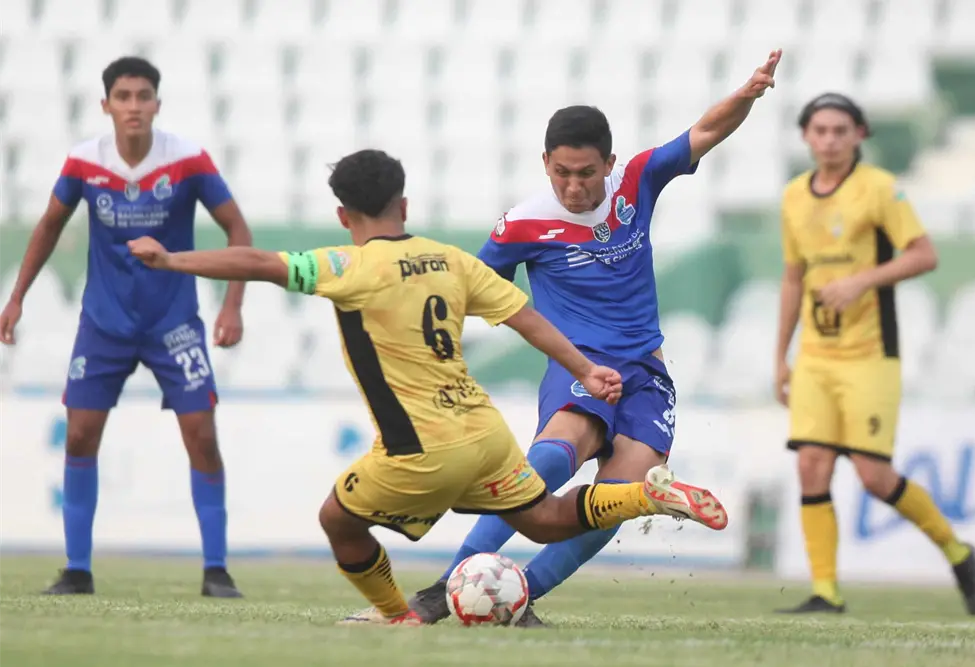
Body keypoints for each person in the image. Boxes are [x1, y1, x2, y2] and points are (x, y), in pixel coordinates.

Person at [126, 148, 729, 626]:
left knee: (338, 519)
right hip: (484, 431)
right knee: (544, 518)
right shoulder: (451, 261)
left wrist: (173, 260)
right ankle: (641, 497)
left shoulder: (346, 265)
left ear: (343, 216)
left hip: (419, 446)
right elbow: (526, 316)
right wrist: (586, 369)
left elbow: (258, 263)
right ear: (405, 204)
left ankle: (397, 616)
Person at [407, 49, 783, 626]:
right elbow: (477, 292)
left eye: (587, 173)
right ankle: (443, 587)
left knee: (617, 501)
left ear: (609, 163)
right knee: (554, 459)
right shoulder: (523, 224)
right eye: (562, 173)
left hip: (648, 375)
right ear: (545, 164)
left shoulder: (637, 182)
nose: (575, 186)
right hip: (580, 365)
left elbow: (706, 130)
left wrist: (748, 95)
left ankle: (520, 596)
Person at [0, 57, 251, 597]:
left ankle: (216, 570)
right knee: (81, 436)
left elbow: (237, 227)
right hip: (104, 324)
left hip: (174, 322)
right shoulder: (83, 163)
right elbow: (49, 226)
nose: (133, 106)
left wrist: (233, 306)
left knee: (202, 437)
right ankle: (77, 570)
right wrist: (16, 297)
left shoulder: (186, 160)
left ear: (157, 104)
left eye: (143, 96)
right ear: (106, 105)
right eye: (123, 96)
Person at [773, 92, 975, 615]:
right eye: (819, 130)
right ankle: (826, 590)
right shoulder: (794, 196)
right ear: (806, 136)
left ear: (859, 135)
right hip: (817, 357)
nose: (828, 139)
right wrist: (780, 356)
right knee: (812, 467)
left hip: (870, 354)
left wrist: (861, 281)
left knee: (874, 477)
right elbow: (793, 278)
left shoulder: (881, 190)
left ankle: (958, 553)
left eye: (839, 130)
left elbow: (925, 255)